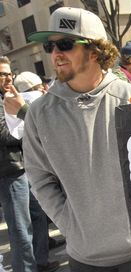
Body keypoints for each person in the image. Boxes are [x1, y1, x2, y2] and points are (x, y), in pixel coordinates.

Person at [21, 7, 131, 271]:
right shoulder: (39, 112)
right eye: (50, 46)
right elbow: (39, 178)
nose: (56, 53)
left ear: (95, 50)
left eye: (66, 44)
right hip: (84, 257)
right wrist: (69, 222)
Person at [0, 57, 59, 272]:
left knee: (38, 217)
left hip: (25, 167)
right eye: (1, 74)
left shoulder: (10, 97)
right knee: (20, 229)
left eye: (8, 73)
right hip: (9, 172)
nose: (7, 77)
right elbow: (5, 135)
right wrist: (29, 127)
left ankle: (41, 262)